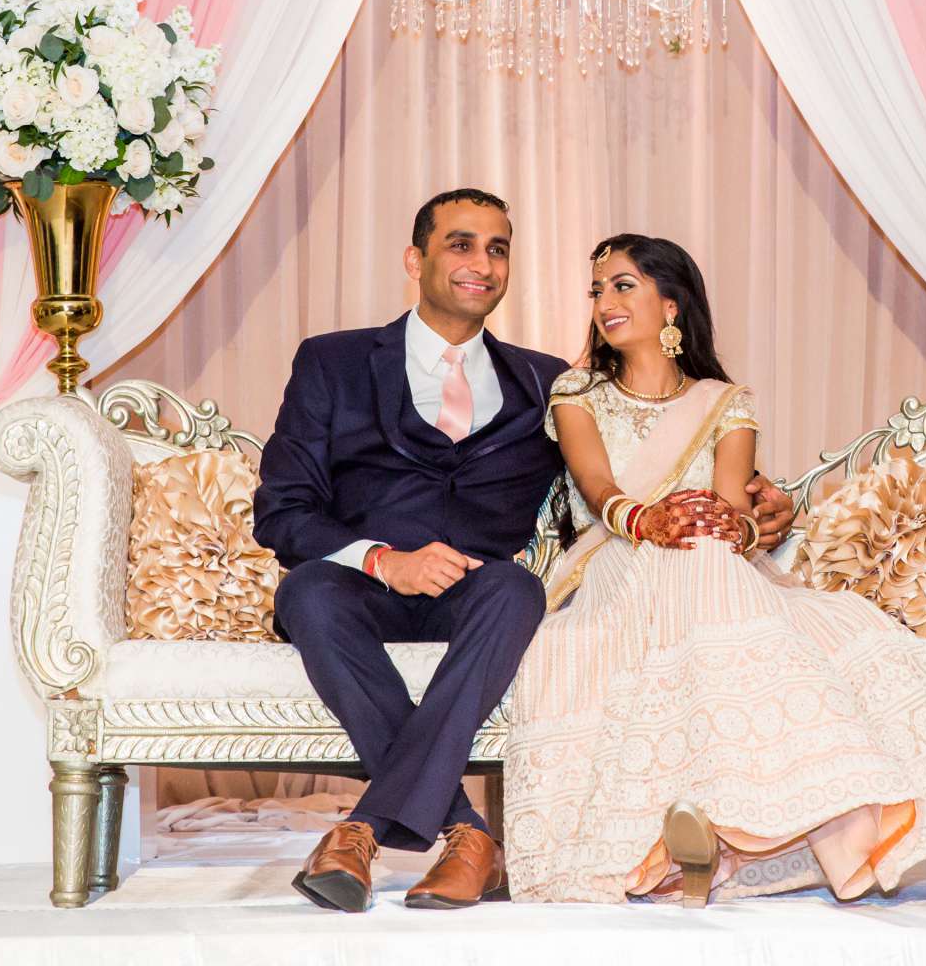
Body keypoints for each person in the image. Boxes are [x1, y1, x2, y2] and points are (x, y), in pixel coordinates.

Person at [252, 190, 798, 913]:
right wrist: (386, 559)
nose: (483, 263)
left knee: (517, 590)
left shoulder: (549, 383)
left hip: (479, 601)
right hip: (358, 589)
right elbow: (282, 511)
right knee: (307, 593)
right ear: (415, 260)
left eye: (498, 248)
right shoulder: (334, 361)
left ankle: (360, 832)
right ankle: (468, 834)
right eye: (461, 243)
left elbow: (649, 454)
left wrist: (763, 501)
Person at [501, 233, 926, 905]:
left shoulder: (726, 400)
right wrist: (650, 522)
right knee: (697, 556)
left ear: (670, 305)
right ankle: (818, 824)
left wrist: (730, 522)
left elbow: (731, 507)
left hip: (712, 563)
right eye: (596, 290)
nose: (604, 302)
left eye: (622, 286)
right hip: (616, 559)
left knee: (728, 564)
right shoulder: (578, 391)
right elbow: (592, 483)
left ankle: (713, 824)